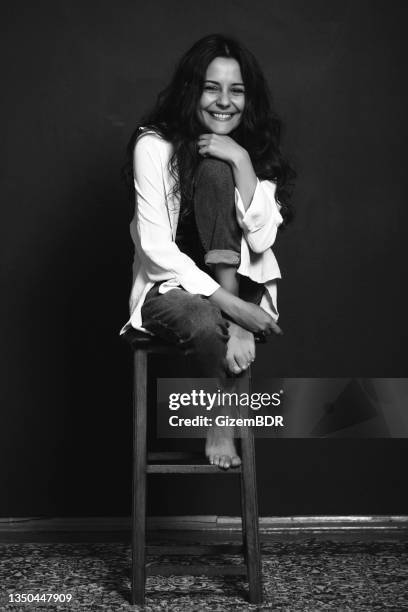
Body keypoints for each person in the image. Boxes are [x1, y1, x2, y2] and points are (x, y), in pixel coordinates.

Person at [121, 33, 295, 469]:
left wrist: (239, 160)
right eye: (211, 87)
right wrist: (234, 310)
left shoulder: (251, 150)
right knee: (201, 319)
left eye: (236, 90)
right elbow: (158, 249)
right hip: (173, 290)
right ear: (191, 90)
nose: (224, 101)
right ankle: (223, 401)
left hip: (240, 284)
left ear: (248, 98)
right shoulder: (154, 145)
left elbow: (261, 240)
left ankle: (234, 337)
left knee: (218, 168)